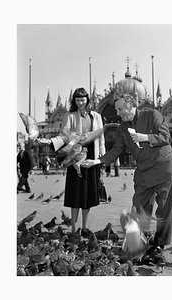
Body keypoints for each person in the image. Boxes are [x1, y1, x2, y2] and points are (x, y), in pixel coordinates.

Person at [83, 93, 172, 252]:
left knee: (164, 208)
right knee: (139, 206)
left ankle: (160, 243)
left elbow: (165, 137)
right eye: (116, 110)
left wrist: (145, 137)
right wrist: (97, 161)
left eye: (120, 109)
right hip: (144, 171)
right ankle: (141, 238)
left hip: (164, 167)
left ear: (131, 105)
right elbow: (117, 149)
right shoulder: (122, 128)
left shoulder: (152, 115)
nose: (117, 113)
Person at [37, 87, 105, 234]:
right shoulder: (71, 116)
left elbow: (101, 139)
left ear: (87, 100)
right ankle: (74, 227)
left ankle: (85, 226)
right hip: (75, 157)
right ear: (74, 101)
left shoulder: (97, 117)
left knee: (88, 195)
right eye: (77, 100)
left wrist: (102, 159)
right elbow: (64, 135)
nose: (80, 102)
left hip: (92, 157)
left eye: (83, 99)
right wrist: (49, 142)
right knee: (75, 193)